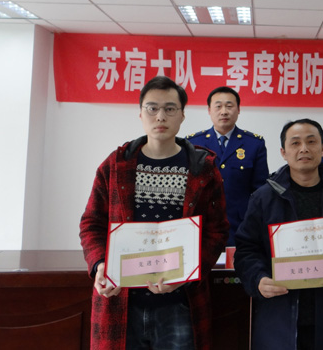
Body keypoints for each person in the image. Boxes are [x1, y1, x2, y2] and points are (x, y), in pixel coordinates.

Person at [79, 76, 229, 350]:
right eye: (152, 108)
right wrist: (100, 264)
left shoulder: (203, 168)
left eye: (170, 109)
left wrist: (188, 274)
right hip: (121, 301)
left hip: (180, 303)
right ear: (140, 113)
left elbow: (217, 231)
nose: (160, 116)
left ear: (182, 115)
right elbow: (91, 223)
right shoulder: (115, 165)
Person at [234, 118, 323, 350]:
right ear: (283, 152)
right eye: (295, 143)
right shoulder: (264, 198)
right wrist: (258, 280)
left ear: (322, 149)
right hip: (280, 319)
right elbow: (246, 250)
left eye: (311, 142)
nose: (304, 149)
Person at [187, 86, 268, 246]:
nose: (224, 111)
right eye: (218, 106)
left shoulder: (254, 144)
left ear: (238, 110)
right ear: (209, 110)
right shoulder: (193, 143)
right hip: (203, 225)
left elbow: (260, 191)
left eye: (229, 106)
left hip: (242, 225)